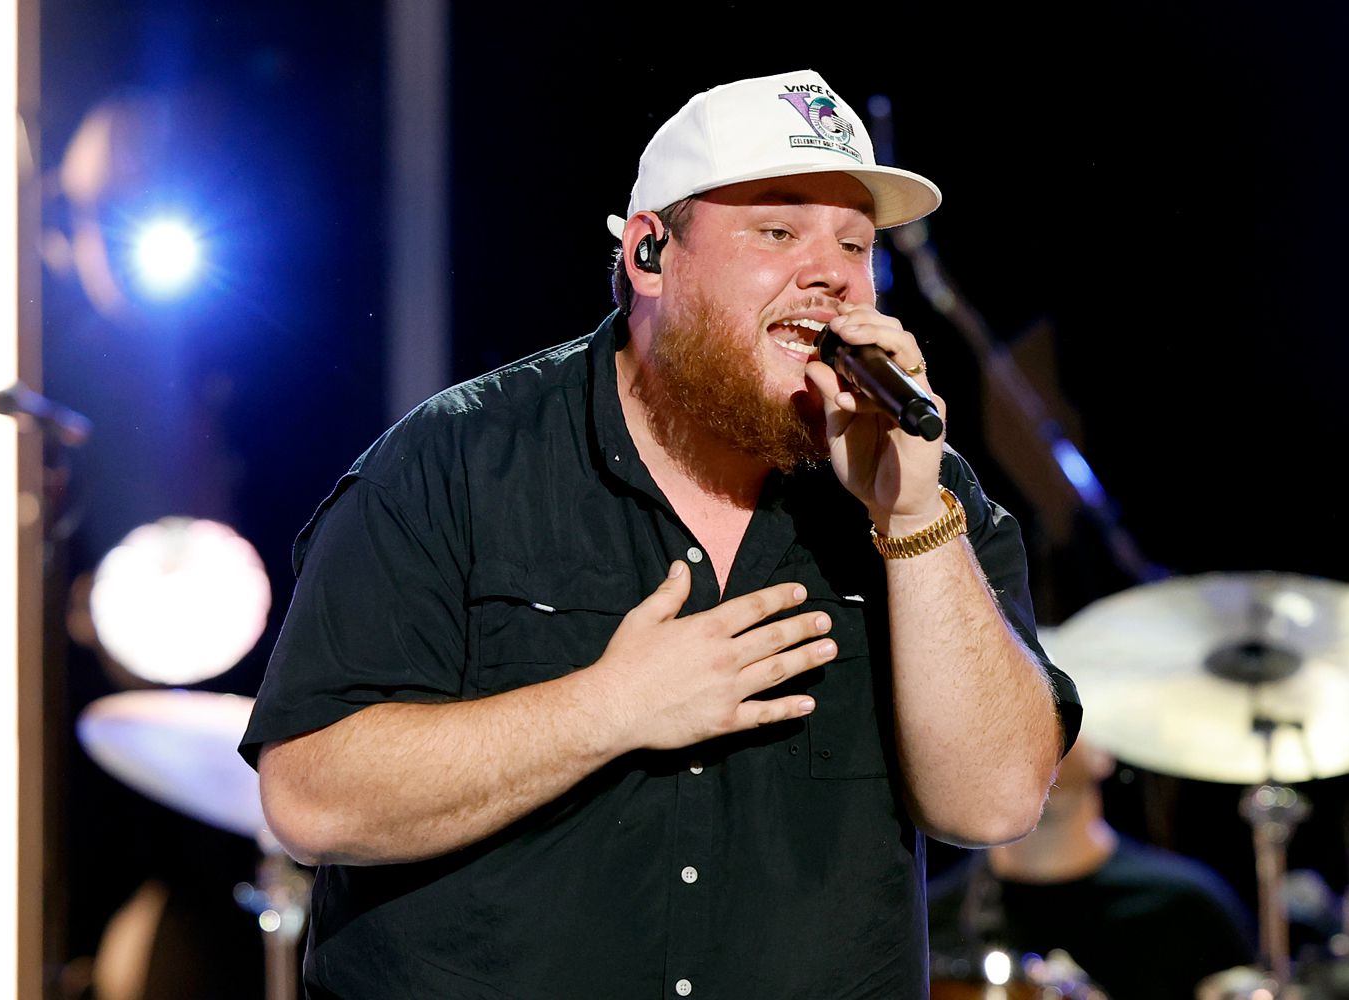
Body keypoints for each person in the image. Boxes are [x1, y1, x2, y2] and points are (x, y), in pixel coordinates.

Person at [240, 68, 1082, 999]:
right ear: (649, 253)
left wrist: (914, 521)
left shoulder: (925, 485)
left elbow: (996, 800)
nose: (834, 274)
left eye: (856, 243)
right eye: (777, 230)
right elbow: (312, 797)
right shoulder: (455, 462)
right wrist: (607, 709)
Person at [927, 739, 1256, 999]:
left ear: (1106, 749)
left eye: (1063, 703)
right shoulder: (925, 921)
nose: (1039, 725)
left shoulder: (1188, 908)